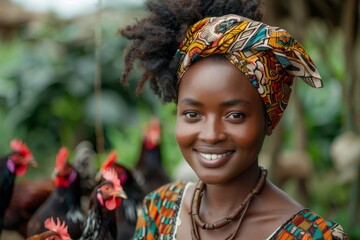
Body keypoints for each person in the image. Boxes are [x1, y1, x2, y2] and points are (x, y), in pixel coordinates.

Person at [119, 0, 348, 239]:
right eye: (193, 114)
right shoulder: (158, 211)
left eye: (235, 115)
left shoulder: (313, 236)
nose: (210, 134)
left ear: (269, 119)